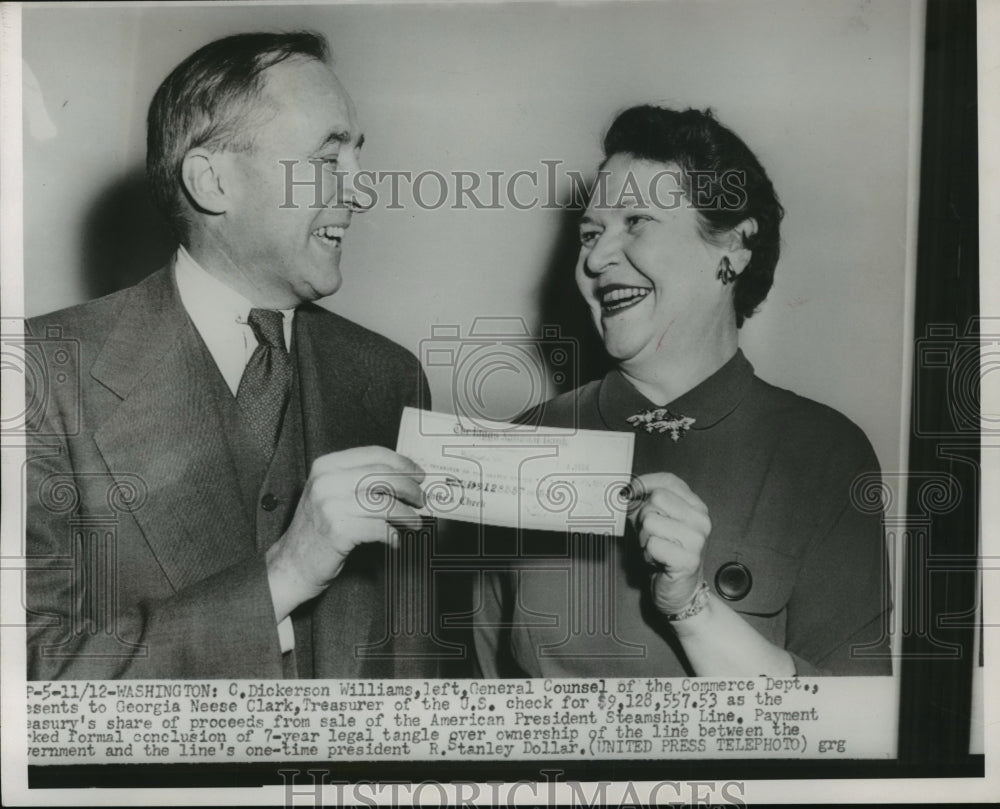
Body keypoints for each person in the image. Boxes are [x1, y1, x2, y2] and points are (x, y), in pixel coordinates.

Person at [24, 31, 435, 679]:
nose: (361, 192)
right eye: (329, 159)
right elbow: (26, 687)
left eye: (358, 157)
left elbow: (411, 668)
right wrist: (284, 574)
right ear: (212, 181)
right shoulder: (41, 373)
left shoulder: (390, 377)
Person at [474, 106, 891, 677]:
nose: (595, 258)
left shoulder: (826, 454)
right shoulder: (521, 443)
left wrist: (693, 608)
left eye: (637, 221)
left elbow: (853, 730)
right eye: (590, 233)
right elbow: (479, 707)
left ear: (733, 248)